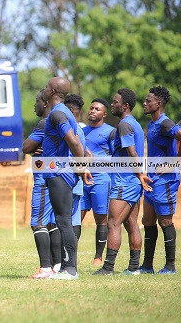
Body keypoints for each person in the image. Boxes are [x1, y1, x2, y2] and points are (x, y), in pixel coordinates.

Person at [94, 88, 151, 276]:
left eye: (115, 102)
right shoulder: (133, 123)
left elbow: (132, 152)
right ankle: (134, 268)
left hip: (123, 181)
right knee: (132, 223)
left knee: (113, 223)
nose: (112, 104)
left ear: (125, 105)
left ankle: (108, 267)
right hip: (132, 182)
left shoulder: (125, 125)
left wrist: (140, 174)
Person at [42, 77, 87, 280]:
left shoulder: (58, 113)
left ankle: (70, 269)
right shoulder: (64, 112)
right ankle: (65, 269)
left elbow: (75, 143)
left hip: (59, 172)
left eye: (46, 87)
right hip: (59, 171)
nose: (43, 89)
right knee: (63, 220)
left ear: (52, 91)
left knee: (63, 221)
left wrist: (82, 167)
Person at [140, 86, 181, 275]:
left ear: (158, 103)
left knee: (165, 221)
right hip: (152, 179)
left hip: (165, 180)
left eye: (148, 101)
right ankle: (147, 266)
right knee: (148, 221)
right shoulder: (152, 123)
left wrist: (173, 163)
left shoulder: (165, 123)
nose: (144, 103)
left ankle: (170, 266)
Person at [22, 89, 62, 278]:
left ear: (45, 104)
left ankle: (46, 269)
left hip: (44, 180)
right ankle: (57, 265)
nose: (35, 106)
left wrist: (36, 147)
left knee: (38, 224)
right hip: (58, 179)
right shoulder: (61, 119)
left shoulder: (44, 123)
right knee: (53, 223)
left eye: (37, 102)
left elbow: (25, 147)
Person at [81, 98, 116, 266]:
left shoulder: (111, 132)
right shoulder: (81, 131)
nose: (93, 111)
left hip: (102, 179)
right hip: (81, 179)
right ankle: (69, 256)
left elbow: (116, 157)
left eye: (97, 109)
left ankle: (98, 257)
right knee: (75, 218)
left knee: (101, 219)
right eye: (91, 107)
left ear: (104, 114)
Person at [64, 93, 90, 242]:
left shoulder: (69, 129)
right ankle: (71, 259)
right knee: (74, 219)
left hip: (67, 180)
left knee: (63, 219)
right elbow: (89, 155)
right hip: (77, 181)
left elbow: (76, 150)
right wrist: (83, 168)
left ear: (71, 110)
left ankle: (63, 259)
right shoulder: (79, 129)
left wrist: (78, 168)